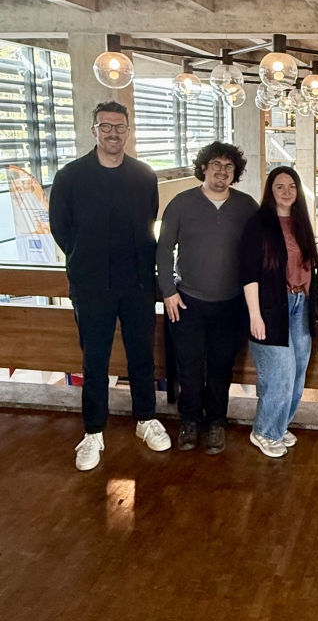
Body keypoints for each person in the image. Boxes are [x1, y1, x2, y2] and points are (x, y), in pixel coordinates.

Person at [49, 100, 171, 471]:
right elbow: (61, 228)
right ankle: (93, 431)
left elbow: (149, 219)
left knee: (141, 357)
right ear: (94, 130)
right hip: (91, 286)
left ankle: (145, 419)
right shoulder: (71, 176)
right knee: (95, 360)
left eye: (120, 127)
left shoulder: (144, 176)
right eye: (106, 126)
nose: (113, 133)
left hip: (136, 282)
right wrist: (85, 259)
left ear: (128, 131)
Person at [157, 142, 258, 455]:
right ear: (203, 167)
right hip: (187, 302)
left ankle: (215, 422)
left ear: (235, 173)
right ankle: (189, 420)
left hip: (231, 303)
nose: (222, 171)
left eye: (229, 166)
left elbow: (259, 251)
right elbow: (163, 250)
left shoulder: (246, 206)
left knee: (221, 367)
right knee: (188, 366)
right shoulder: (181, 203)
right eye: (216, 164)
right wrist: (168, 291)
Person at [240, 167, 317, 458]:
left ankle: (279, 425)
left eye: (291, 186)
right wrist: (255, 315)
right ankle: (263, 431)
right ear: (270, 191)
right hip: (272, 306)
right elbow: (248, 274)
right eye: (279, 186)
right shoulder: (258, 224)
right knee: (280, 373)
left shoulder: (301, 223)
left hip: (300, 305)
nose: (286, 192)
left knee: (297, 371)